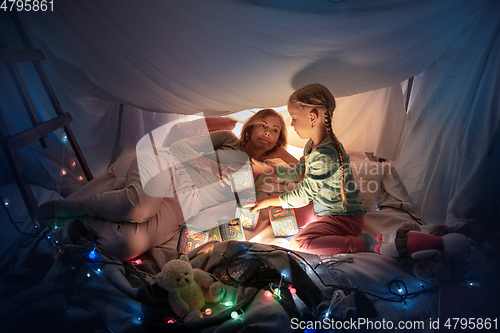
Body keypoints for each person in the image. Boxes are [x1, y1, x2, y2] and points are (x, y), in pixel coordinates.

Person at [39, 109, 296, 261]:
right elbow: (179, 147)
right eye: (262, 125)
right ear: (249, 129)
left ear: (277, 141)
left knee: (124, 245)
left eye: (274, 130)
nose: (267, 131)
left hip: (183, 208)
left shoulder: (261, 178)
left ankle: (84, 220)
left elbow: (303, 177)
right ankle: (72, 207)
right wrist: (213, 166)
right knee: (138, 208)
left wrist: (278, 156)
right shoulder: (228, 138)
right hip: (169, 172)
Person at [250, 84, 369, 256]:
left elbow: (303, 196)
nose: (292, 124)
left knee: (299, 243)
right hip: (322, 209)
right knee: (280, 217)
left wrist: (268, 201)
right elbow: (299, 173)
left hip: (343, 219)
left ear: (312, 117)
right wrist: (267, 170)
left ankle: (361, 243)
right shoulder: (312, 144)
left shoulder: (324, 154)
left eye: (294, 118)